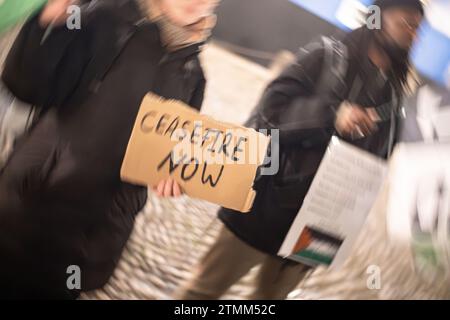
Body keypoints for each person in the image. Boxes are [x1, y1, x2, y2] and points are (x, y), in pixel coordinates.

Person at [176, 0, 424, 300]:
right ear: (377, 18)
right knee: (202, 293)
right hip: (267, 205)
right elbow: (271, 111)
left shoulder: (396, 95)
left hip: (318, 227)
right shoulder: (327, 56)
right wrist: (332, 114)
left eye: (417, 28)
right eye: (406, 23)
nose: (412, 34)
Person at [0, 0, 219, 299]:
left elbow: (167, 157)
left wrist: (171, 177)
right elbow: (26, 85)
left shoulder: (193, 74)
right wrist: (48, 24)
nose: (201, 2)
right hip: (28, 216)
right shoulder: (104, 19)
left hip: (95, 240)